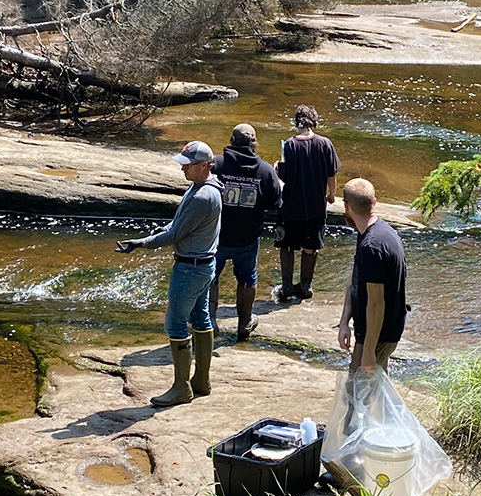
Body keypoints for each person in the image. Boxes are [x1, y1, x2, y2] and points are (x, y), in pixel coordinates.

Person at [116, 140, 222, 407]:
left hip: (190, 268)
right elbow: (177, 223)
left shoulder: (202, 197)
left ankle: (181, 387)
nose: (182, 169)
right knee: (201, 318)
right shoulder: (202, 188)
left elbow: (175, 234)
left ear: (204, 166)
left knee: (175, 323)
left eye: (188, 165)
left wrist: (142, 243)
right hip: (203, 264)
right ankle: (201, 381)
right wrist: (153, 234)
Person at [211, 124, 282, 340]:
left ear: (232, 141)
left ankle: (210, 322)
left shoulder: (216, 164)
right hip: (248, 237)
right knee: (247, 279)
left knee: (210, 276)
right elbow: (274, 203)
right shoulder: (266, 171)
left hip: (217, 235)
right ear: (254, 143)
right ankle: (244, 322)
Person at [336, 178, 408, 374]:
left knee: (356, 397)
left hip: (378, 336)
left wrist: (368, 351)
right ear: (374, 203)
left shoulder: (372, 246)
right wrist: (344, 322)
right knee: (371, 397)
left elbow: (376, 303)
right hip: (376, 333)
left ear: (346, 206)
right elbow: (355, 283)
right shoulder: (373, 233)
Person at [274, 104, 340, 301]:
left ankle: (286, 286)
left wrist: (277, 166)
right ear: (314, 121)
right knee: (311, 247)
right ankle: (305, 286)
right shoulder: (325, 144)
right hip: (315, 206)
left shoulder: (289, 145)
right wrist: (332, 194)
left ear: (297, 122)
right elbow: (331, 173)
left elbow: (283, 175)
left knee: (286, 245)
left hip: (290, 205)